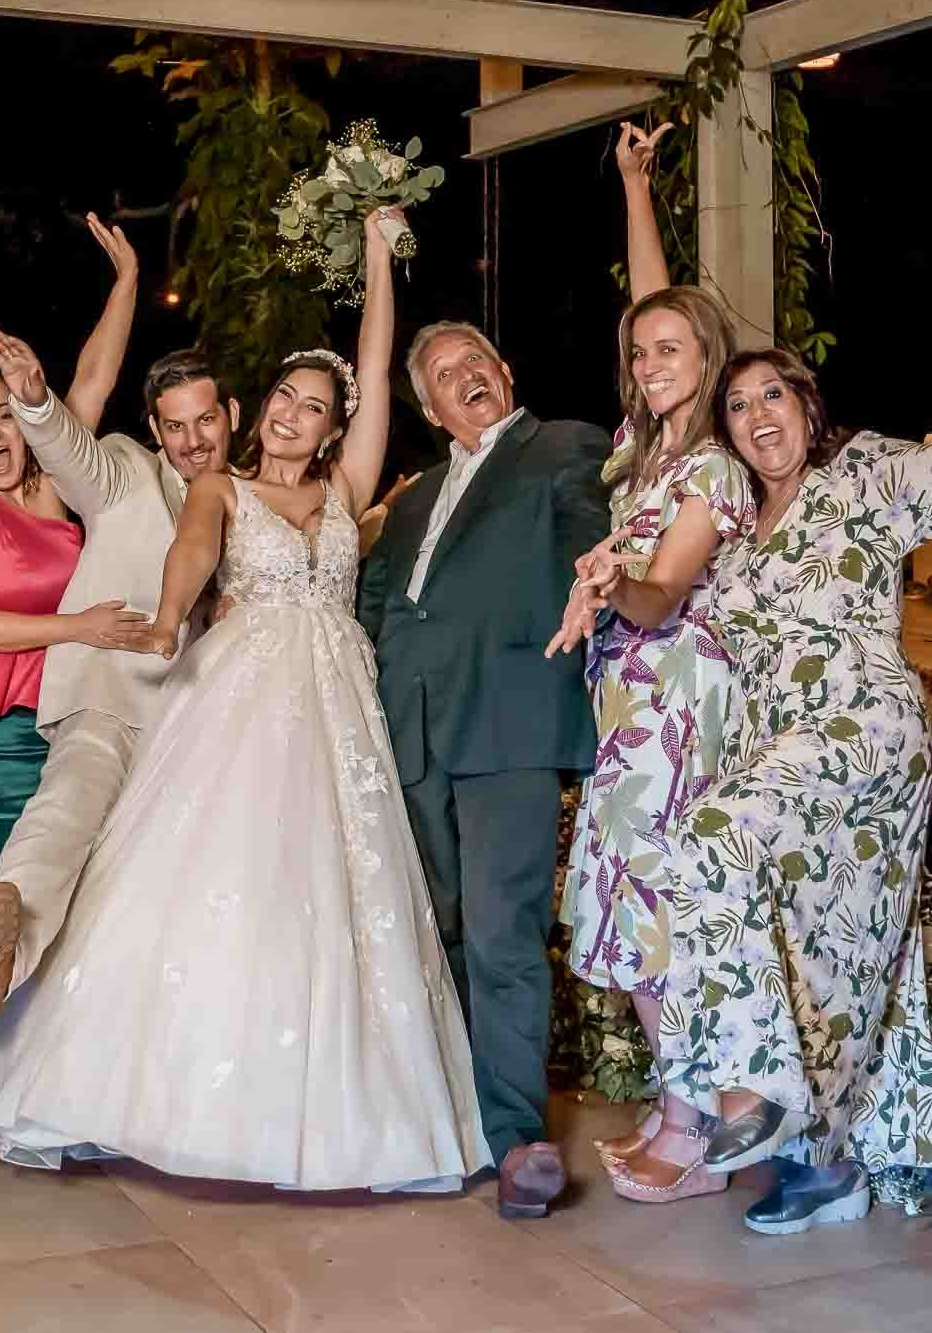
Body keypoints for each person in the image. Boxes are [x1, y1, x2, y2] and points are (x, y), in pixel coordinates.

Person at [0, 209, 492, 1192]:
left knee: (332, 888)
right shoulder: (220, 490)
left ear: (332, 425)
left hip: (336, 703)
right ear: (262, 408)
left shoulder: (346, 490)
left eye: (312, 405)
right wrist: (164, 616)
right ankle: (126, 1070)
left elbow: (376, 374)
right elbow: (192, 553)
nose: (295, 412)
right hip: (237, 690)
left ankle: (329, 1112)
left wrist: (377, 252)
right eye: (285, 396)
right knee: (208, 872)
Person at [643, 316, 932, 1237]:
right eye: (736, 405)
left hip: (862, 734)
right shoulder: (734, 528)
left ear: (804, 405)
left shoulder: (862, 475)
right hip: (778, 747)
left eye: (771, 393)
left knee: (706, 835)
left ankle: (750, 1092)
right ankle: (828, 1163)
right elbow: (668, 604)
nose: (754, 415)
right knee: (823, 945)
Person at [358, 319, 612, 1218]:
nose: (464, 375)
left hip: (509, 718)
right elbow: (378, 599)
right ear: (428, 407)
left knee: (505, 932)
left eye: (476, 361)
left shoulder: (563, 447)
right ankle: (449, 1113)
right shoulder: (417, 495)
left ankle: (516, 1140)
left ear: (504, 372)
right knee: (434, 930)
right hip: (410, 729)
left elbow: (598, 539)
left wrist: (600, 579)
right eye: (441, 373)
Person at [0, 223, 158, 1119]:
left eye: (3, 414)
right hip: (3, 728)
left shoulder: (56, 485)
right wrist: (79, 624)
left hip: (80, 716)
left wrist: (126, 277)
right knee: (3, 893)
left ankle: (51, 1076)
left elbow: (93, 377)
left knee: (80, 891)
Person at [547, 124, 754, 1202]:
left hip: (679, 703)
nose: (648, 362)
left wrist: (608, 587)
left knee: (660, 915)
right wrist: (633, 184)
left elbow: (665, 588)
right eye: (639, 353)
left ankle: (695, 1130)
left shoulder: (713, 462)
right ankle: (687, 1110)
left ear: (707, 360)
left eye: (670, 351)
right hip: (627, 705)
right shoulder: (645, 454)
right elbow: (650, 303)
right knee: (629, 911)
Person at [0, 313, 243, 1027]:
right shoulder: (124, 471)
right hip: (111, 693)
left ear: (232, 414)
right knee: (69, 802)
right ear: (153, 428)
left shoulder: (254, 500)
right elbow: (67, 446)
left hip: (203, 725)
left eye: (205, 421)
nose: (192, 440)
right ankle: (3, 936)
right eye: (174, 426)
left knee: (155, 897)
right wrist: (34, 403)